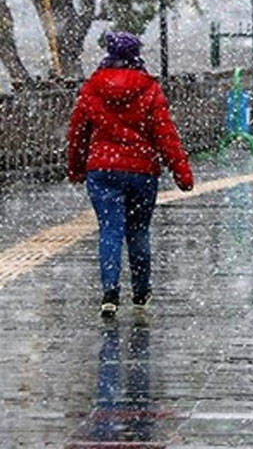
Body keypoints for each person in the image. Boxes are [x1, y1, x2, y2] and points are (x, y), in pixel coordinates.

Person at [67, 32, 194, 317]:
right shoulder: (149, 89)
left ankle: (110, 292)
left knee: (109, 230)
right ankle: (141, 290)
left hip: (102, 169)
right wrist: (182, 172)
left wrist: (76, 168)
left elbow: (77, 133)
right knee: (138, 230)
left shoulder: (92, 88)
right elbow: (165, 135)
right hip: (141, 171)